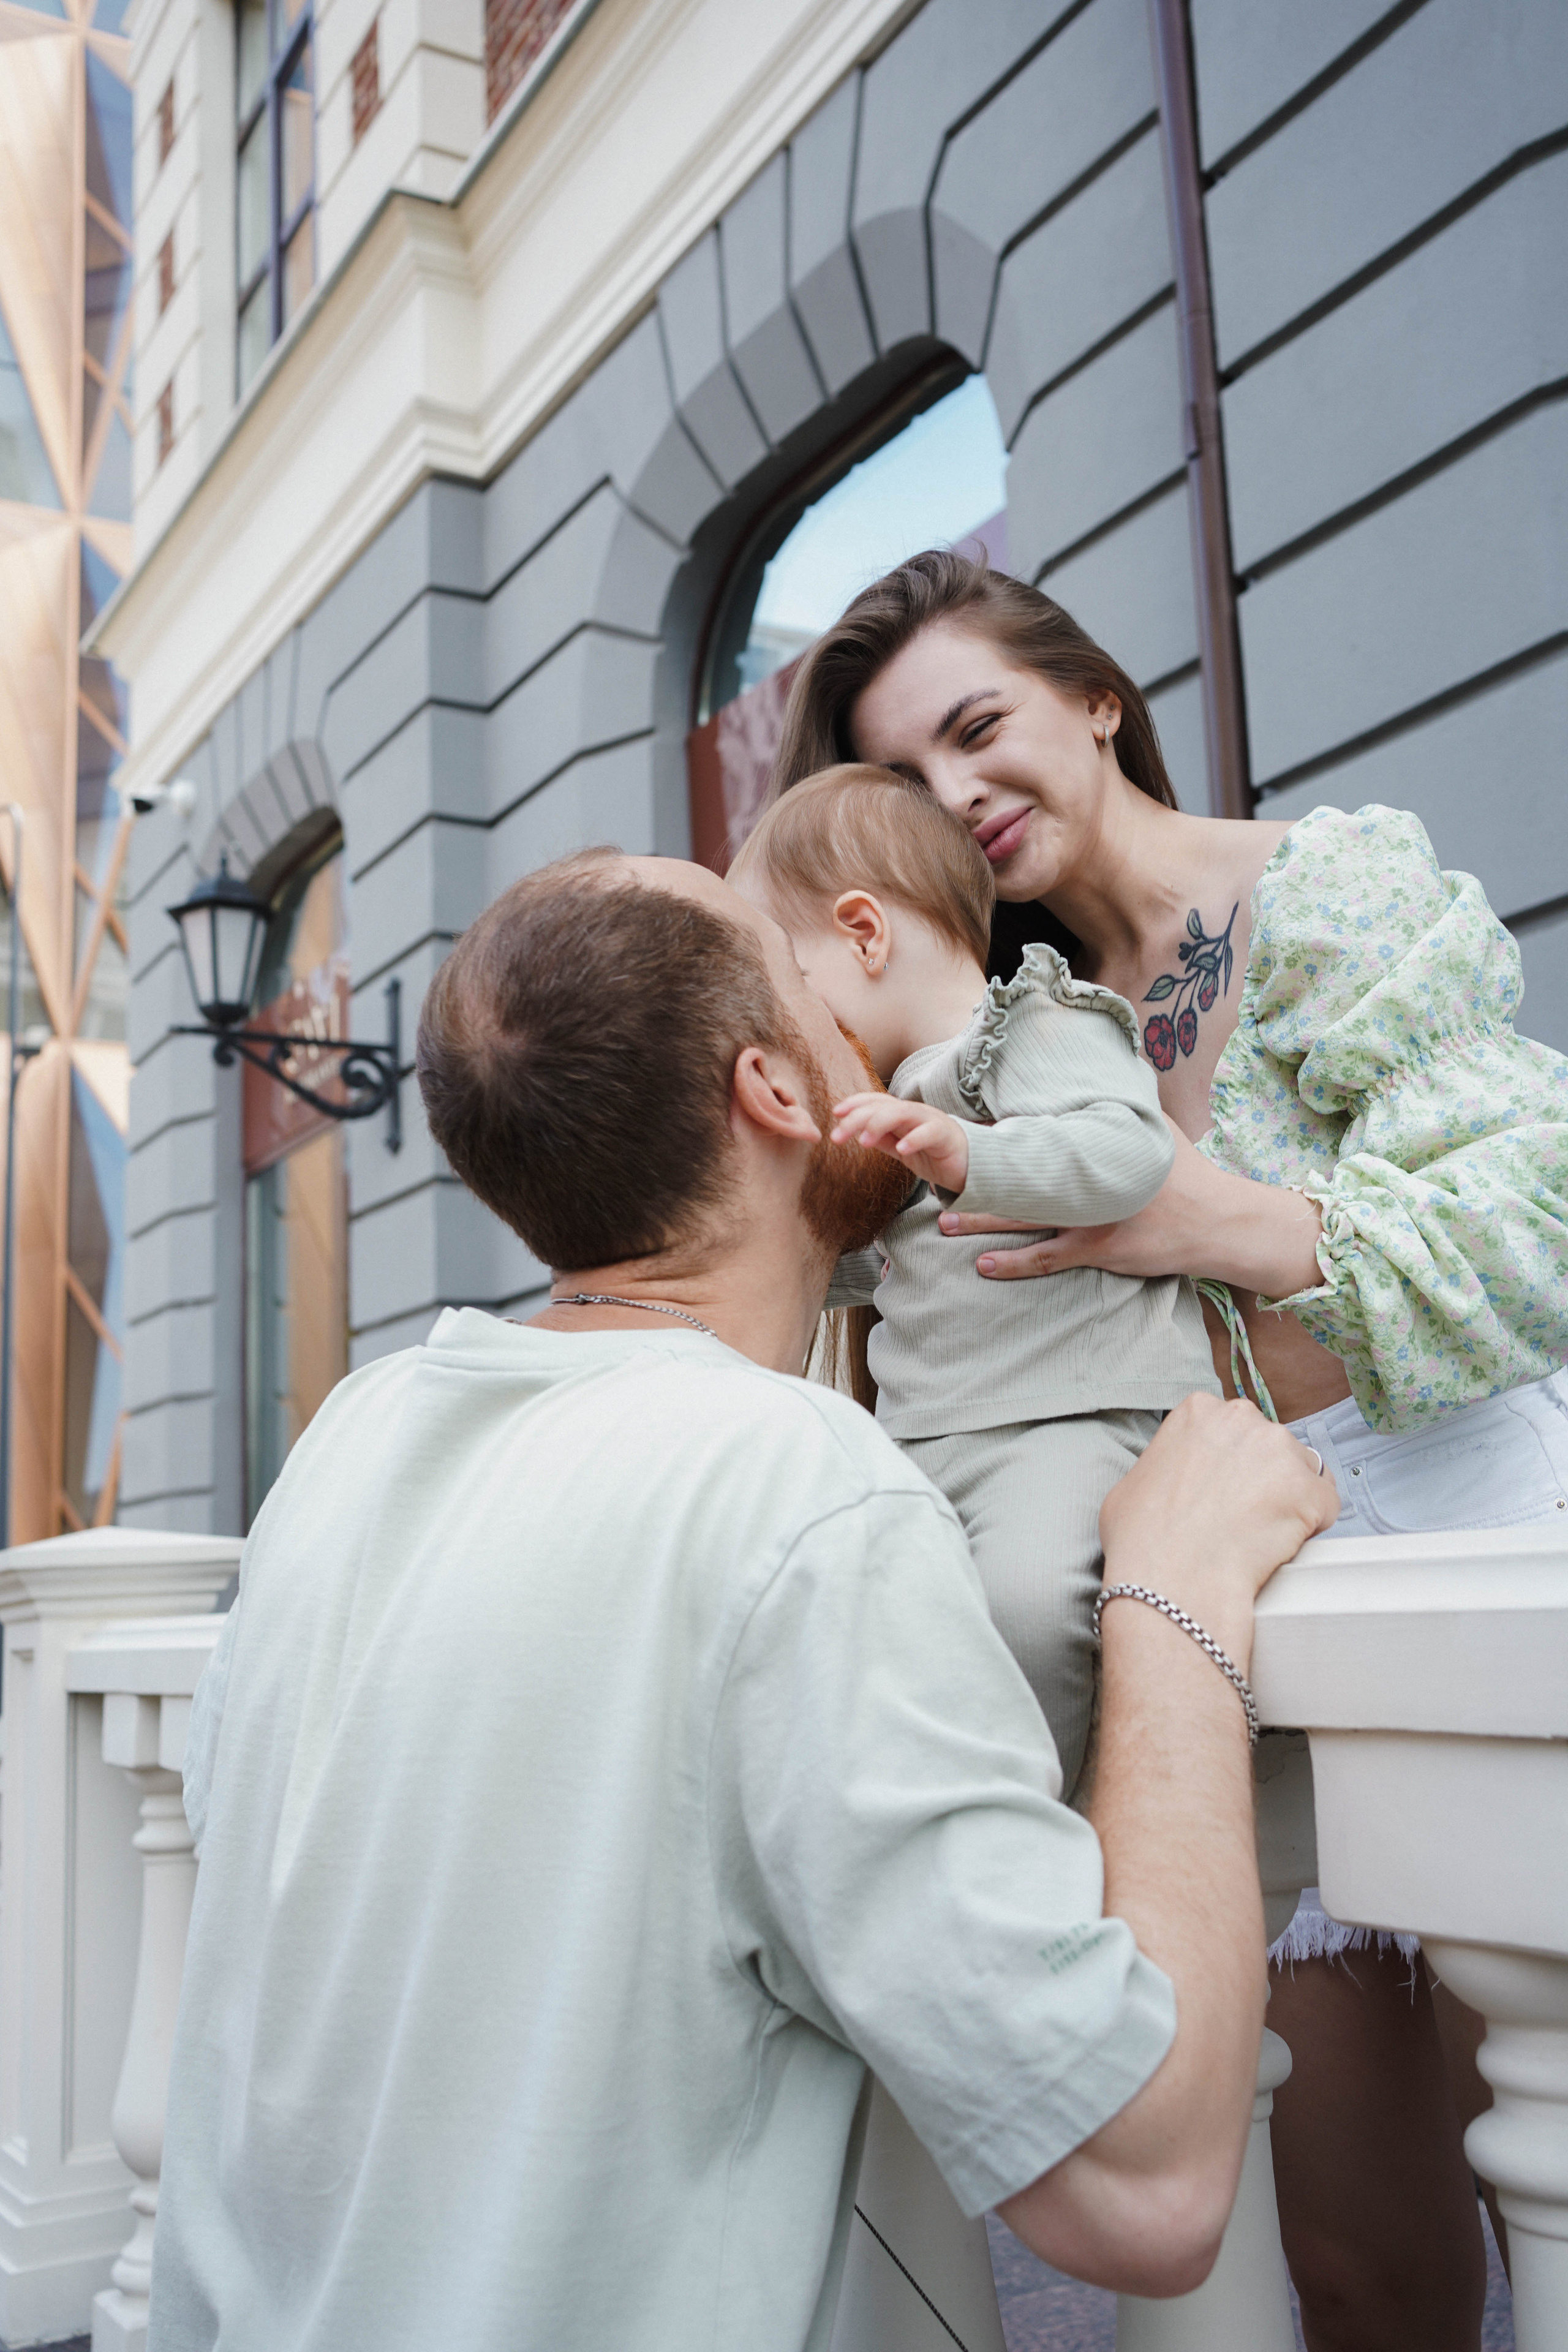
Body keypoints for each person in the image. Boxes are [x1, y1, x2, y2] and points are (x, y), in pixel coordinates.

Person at [149, 846, 1334, 2352]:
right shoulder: (799, 1493)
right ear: (778, 1094)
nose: (889, 1024)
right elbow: (1140, 2185)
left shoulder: (347, 1444)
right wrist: (1173, 1593)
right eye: (821, 989)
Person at [771, 549, 1568, 2352]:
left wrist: (1217, 1218)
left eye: (982, 730)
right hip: (1224, 1608)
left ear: (1097, 699)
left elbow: (1542, 1236)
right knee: (1370, 2269)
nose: (960, 798)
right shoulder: (992, 1038)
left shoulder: (1325, 887)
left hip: (1462, 1534)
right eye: (908, 782)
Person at [728, 760, 1219, 1798]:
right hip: (933, 1435)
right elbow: (901, 1263)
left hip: (1069, 1418)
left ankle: (1041, 1822)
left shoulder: (1030, 1026)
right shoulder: (893, 1100)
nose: (782, 1028)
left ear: (864, 935)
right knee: (898, 1635)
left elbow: (1133, 1155)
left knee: (1033, 1610)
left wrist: (971, 1154)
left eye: (786, 989)